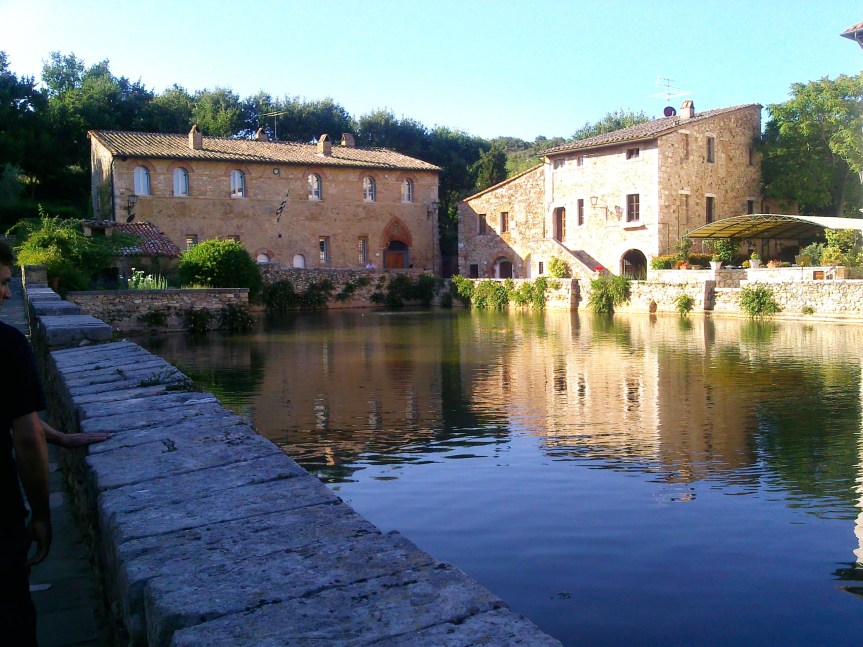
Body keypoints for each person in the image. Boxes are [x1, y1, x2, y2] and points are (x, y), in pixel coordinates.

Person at [1, 240, 49, 645]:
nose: (6, 293)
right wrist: (42, 514)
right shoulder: (8, 346)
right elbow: (27, 438)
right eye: (1, 283)